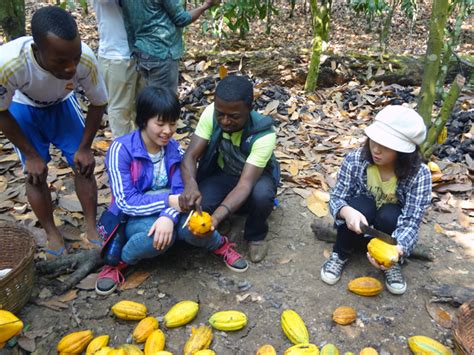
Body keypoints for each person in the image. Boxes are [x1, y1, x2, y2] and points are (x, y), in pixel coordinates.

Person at [95, 86, 248, 296]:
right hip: (134, 215)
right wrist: (169, 202)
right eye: (160, 123)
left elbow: (180, 188)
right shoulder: (121, 149)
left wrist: (168, 215)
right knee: (155, 240)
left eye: (173, 123)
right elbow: (125, 202)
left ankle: (220, 244)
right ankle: (119, 261)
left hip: (172, 206)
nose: (167, 130)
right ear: (143, 120)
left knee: (197, 225)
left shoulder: (173, 148)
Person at [0, 6, 107, 257]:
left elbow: (98, 102)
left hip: (62, 104)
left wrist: (84, 147)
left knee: (83, 165)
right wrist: (31, 155)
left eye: (75, 57)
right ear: (38, 51)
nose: (71, 68)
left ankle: (92, 228)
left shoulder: (87, 60)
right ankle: (52, 233)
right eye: (61, 61)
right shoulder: (9, 64)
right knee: (35, 174)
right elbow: (1, 112)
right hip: (22, 108)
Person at [320, 105, 432, 295]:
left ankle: (390, 263)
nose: (376, 150)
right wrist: (347, 212)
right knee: (361, 204)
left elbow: (411, 221)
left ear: (403, 151)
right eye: (374, 141)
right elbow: (338, 197)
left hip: (389, 230)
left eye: (386, 146)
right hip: (358, 225)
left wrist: (397, 250)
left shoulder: (419, 175)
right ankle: (340, 252)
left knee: (390, 213)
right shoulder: (356, 160)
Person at [179, 75, 280, 263]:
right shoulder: (211, 113)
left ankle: (256, 235)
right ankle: (229, 214)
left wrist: (216, 218)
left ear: (249, 109)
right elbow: (190, 156)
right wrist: (191, 185)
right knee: (202, 203)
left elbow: (245, 184)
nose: (225, 121)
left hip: (254, 178)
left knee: (261, 195)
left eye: (234, 117)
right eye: (221, 114)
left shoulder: (264, 134)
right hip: (226, 173)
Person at [120, 0, 220, 93]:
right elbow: (181, 19)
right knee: (164, 103)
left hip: (142, 51)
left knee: (150, 100)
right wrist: (206, 5)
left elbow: (128, 22)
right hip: (161, 51)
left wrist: (134, 48)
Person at [93, 0, 142, 138]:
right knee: (120, 109)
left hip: (144, 51)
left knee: (143, 106)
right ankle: (124, 152)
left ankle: (143, 150)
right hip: (116, 54)